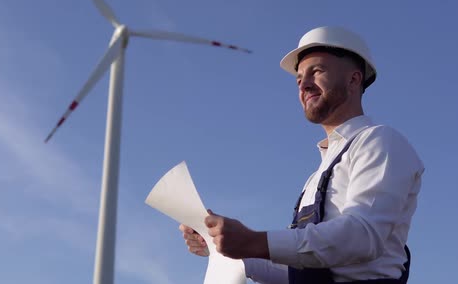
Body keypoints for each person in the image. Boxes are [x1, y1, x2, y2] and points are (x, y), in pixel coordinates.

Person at [180, 26, 424, 284]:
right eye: (299, 79)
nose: (304, 85)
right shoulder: (314, 179)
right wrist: (226, 248)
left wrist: (253, 241)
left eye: (317, 72)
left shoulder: (380, 141)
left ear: (354, 80)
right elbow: (300, 271)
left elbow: (362, 236)